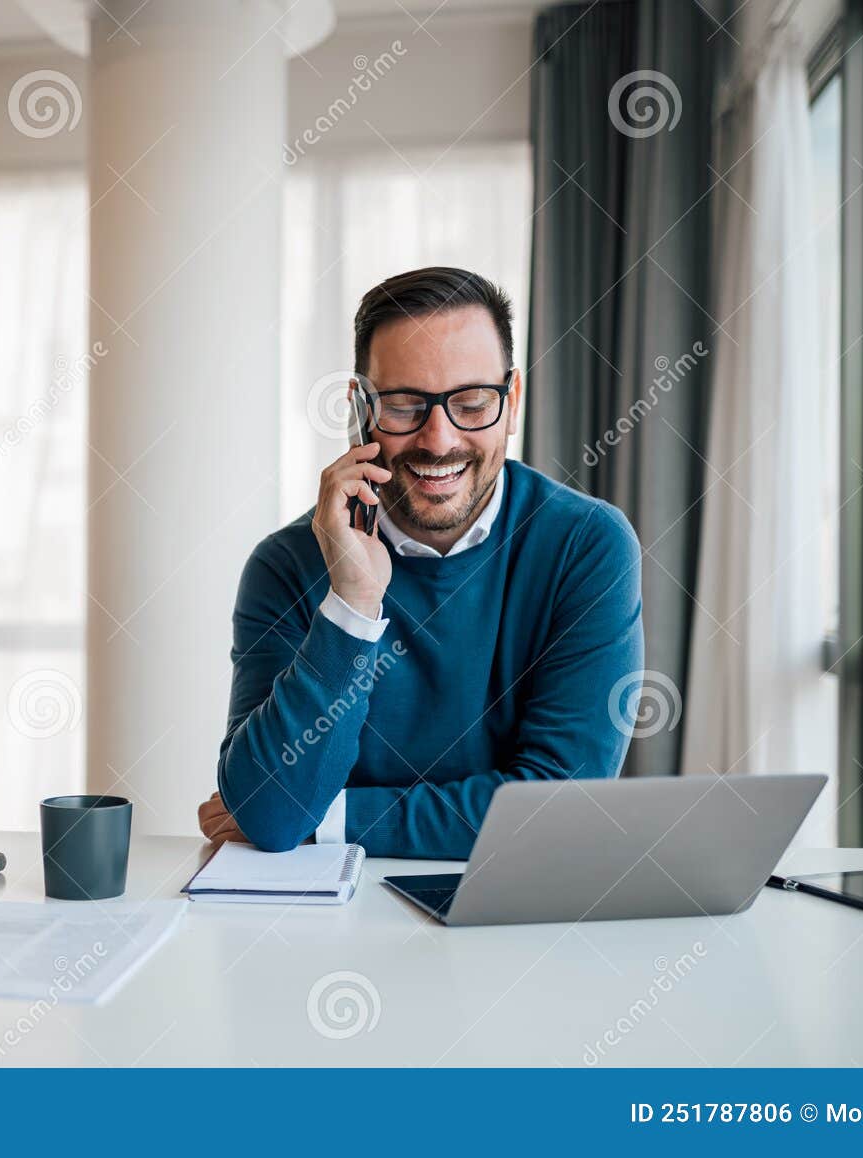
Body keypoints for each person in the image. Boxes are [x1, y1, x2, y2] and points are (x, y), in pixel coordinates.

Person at [199, 266, 644, 858]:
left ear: (511, 403)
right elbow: (274, 812)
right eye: (406, 405)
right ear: (361, 408)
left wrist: (329, 818)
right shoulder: (285, 566)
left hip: (513, 921)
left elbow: (560, 811)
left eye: (470, 402)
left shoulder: (586, 545)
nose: (439, 439)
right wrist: (351, 606)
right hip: (328, 931)